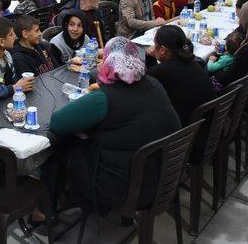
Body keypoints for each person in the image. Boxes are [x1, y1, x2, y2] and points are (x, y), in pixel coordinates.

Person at [49, 37, 181, 214]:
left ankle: (51, 206)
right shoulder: (153, 83)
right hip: (165, 173)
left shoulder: (103, 98)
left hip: (125, 186)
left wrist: (92, 96)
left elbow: (58, 123)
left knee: (62, 146)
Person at [146, 25, 215, 125]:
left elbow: (149, 84)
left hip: (187, 132)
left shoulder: (162, 71)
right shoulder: (194, 62)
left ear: (162, 49)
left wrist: (150, 58)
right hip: (208, 124)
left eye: (154, 44)